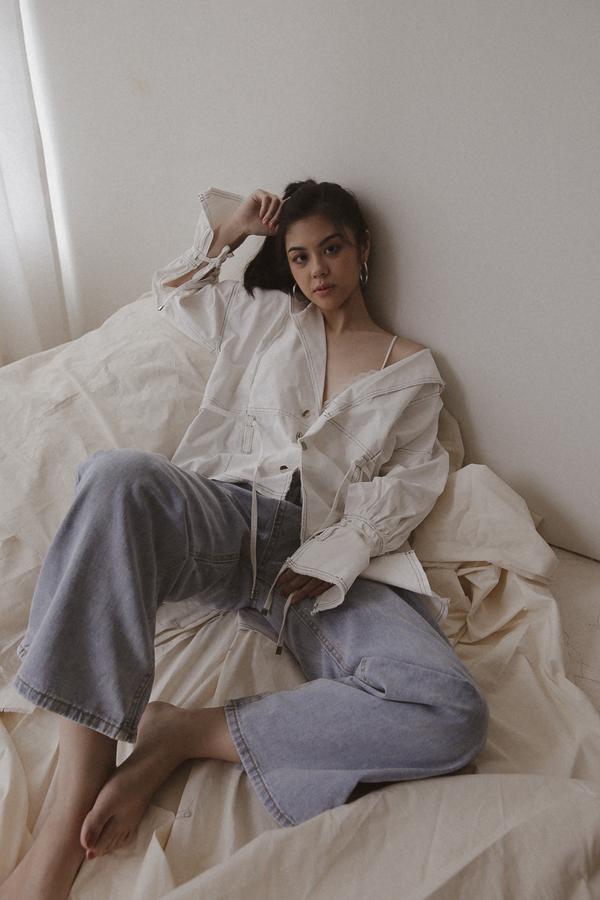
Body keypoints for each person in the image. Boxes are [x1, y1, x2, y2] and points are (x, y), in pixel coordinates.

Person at [1, 179, 489, 900]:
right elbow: (173, 297)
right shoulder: (263, 316)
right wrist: (229, 233)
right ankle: (63, 820)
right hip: (228, 520)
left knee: (450, 713)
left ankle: (182, 734)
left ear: (363, 249)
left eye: (331, 249)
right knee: (114, 477)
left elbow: (413, 479)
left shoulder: (411, 372)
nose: (317, 270)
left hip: (326, 562)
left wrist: (342, 552)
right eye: (299, 257)